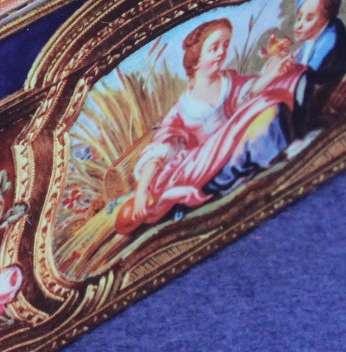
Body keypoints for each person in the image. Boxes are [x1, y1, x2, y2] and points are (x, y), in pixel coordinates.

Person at [116, 18, 307, 235]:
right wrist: (142, 190)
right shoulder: (182, 109)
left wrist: (272, 74)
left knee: (269, 105)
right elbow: (160, 149)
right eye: (214, 48)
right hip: (209, 163)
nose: (221, 53)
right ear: (196, 60)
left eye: (225, 46)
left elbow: (249, 94)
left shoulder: (228, 81)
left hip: (236, 139)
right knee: (262, 110)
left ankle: (281, 152)